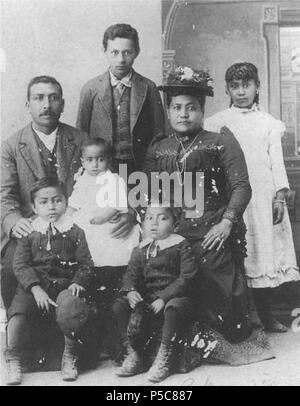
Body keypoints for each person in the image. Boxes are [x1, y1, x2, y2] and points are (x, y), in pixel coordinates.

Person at [144, 66, 253, 342]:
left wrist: (227, 223)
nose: (183, 113)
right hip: (171, 227)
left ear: (202, 111)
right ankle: (170, 337)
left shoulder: (219, 142)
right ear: (168, 112)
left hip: (211, 226)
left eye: (191, 107)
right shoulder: (159, 147)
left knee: (211, 265)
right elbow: (145, 190)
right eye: (177, 107)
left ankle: (211, 337)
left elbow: (241, 186)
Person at [204, 62, 300, 332]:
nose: (241, 91)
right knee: (236, 256)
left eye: (247, 85)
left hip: (262, 194)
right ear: (227, 89)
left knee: (262, 254)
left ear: (257, 86)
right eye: (235, 86)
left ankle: (267, 315)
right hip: (233, 196)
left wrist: (279, 197)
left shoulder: (269, 123)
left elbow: (276, 162)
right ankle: (241, 318)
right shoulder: (217, 122)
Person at [1, 76, 88, 310]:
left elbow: (95, 183)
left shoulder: (80, 141)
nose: (46, 105)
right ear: (28, 105)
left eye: (53, 98)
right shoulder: (11, 146)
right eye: (39, 98)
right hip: (30, 225)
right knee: (10, 264)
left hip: (74, 222)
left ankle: (78, 322)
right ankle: (19, 320)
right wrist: (13, 220)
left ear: (63, 104)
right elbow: (5, 195)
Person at [5, 177, 93, 385]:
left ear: (65, 202)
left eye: (57, 200)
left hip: (63, 285)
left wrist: (78, 281)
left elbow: (86, 263)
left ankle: (70, 355)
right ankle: (13, 358)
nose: (51, 207)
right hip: (34, 286)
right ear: (34, 207)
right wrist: (35, 289)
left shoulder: (75, 231)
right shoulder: (30, 233)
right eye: (44, 202)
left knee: (71, 304)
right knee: (19, 311)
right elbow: (21, 265)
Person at [67, 137, 140, 355]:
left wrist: (103, 216)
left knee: (113, 238)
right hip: (86, 222)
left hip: (107, 220)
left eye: (100, 159)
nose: (95, 164)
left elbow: (117, 204)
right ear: (82, 161)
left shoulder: (113, 179)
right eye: (90, 160)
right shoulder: (82, 180)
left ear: (108, 160)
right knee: (81, 237)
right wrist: (68, 219)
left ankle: (113, 271)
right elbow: (73, 204)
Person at [112, 202, 198, 382]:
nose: (154, 223)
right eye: (149, 218)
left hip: (177, 297)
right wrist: (130, 292)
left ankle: (164, 357)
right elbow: (130, 275)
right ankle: (134, 353)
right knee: (119, 306)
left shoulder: (181, 246)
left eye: (162, 218)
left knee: (174, 307)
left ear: (175, 224)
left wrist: (164, 298)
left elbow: (187, 277)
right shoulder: (141, 249)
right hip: (150, 300)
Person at [76, 23, 165, 174]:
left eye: (127, 52)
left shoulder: (149, 87)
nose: (121, 59)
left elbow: (159, 133)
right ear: (104, 51)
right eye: (114, 52)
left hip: (140, 166)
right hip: (102, 166)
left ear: (136, 52)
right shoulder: (90, 89)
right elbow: (81, 134)